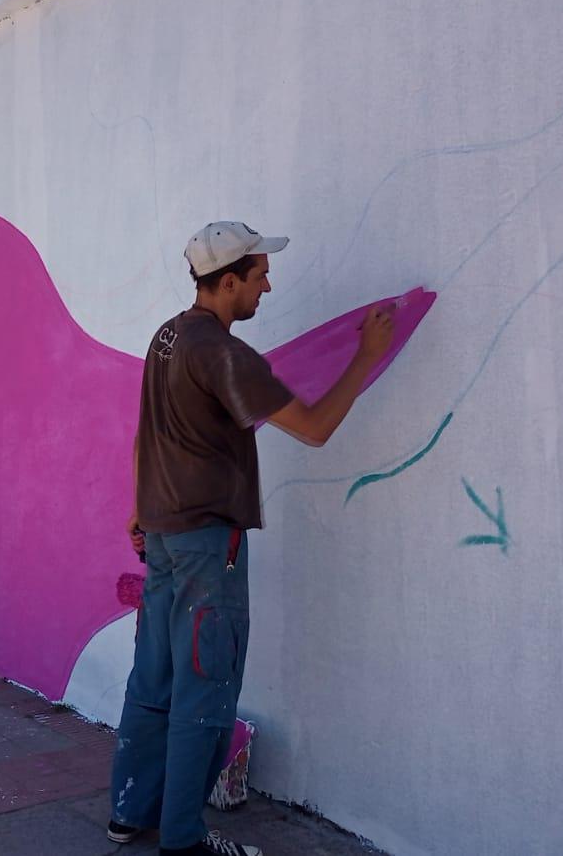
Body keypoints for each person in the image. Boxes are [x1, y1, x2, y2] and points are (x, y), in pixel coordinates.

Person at [107, 221, 395, 856]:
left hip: (161, 534)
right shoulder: (225, 355)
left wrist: (137, 506)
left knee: (152, 682)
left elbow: (145, 431)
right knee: (205, 687)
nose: (269, 285)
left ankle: (129, 814)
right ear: (228, 280)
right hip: (208, 542)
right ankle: (182, 839)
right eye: (260, 275)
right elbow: (314, 428)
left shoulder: (167, 336)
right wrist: (368, 356)